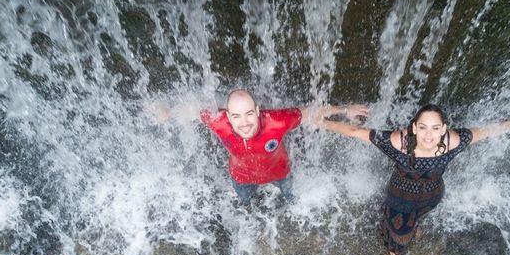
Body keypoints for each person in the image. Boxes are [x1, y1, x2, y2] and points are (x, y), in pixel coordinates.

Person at [319, 104, 510, 255]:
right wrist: (320, 121)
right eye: (422, 127)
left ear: (443, 129)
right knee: (399, 233)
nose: (428, 135)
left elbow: (483, 132)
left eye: (435, 128)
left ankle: (413, 226)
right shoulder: (398, 142)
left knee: (416, 220)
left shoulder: (453, 141)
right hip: (400, 198)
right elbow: (355, 132)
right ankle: (395, 252)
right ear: (414, 127)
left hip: (431, 196)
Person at [154, 89, 368, 206]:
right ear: (228, 116)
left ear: (257, 111)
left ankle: (291, 205)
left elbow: (310, 112)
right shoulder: (219, 121)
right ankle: (247, 208)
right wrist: (168, 113)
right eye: (236, 116)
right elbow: (193, 112)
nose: (244, 123)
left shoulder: (276, 120)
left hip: (280, 173)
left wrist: (345, 110)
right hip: (242, 178)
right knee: (244, 203)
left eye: (249, 114)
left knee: (293, 199)